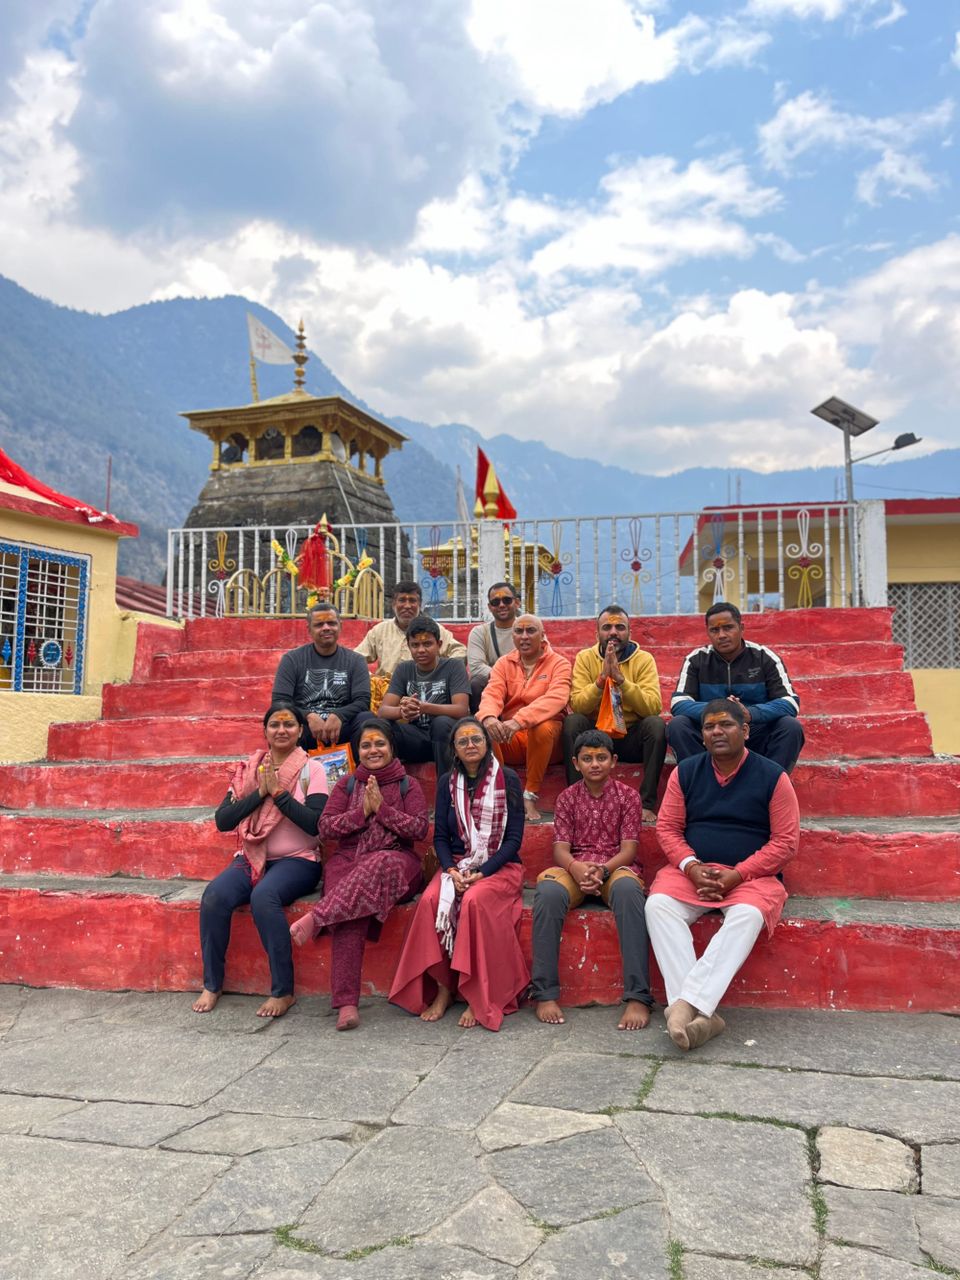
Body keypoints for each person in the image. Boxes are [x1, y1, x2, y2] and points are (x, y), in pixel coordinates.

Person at [646, 698, 800, 1051]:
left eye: (726, 725)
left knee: (747, 915)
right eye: (709, 726)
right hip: (693, 871)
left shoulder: (773, 776)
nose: (717, 732)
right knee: (658, 906)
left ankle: (684, 1006)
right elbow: (668, 828)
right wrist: (691, 866)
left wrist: (739, 874)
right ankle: (703, 1015)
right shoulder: (686, 772)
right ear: (701, 735)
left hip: (750, 877)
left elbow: (786, 842)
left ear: (745, 731)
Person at [389, 717, 528, 1030]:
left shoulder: (507, 779)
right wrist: (450, 869)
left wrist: (482, 872)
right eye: (462, 741)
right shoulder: (447, 782)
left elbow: (514, 840)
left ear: (487, 743)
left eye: (476, 739)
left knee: (475, 901)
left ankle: (475, 994)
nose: (470, 745)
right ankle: (444, 989)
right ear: (453, 749)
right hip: (457, 864)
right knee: (430, 901)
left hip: (499, 865)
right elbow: (440, 837)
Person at [290, 718, 428, 1031]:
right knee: (351, 910)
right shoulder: (347, 784)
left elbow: (419, 829)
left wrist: (383, 810)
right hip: (349, 860)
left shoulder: (408, 784)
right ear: (357, 751)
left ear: (391, 747)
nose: (373, 750)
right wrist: (362, 812)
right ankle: (346, 1004)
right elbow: (326, 827)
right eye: (366, 745)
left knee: (380, 861)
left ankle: (317, 917)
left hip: (397, 860)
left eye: (380, 743)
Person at [193, 703, 328, 1019]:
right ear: (265, 731)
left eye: (289, 724)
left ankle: (283, 991)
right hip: (253, 856)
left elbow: (315, 824)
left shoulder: (313, 770)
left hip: (299, 860)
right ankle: (212, 984)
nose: (282, 730)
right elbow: (224, 820)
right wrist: (260, 794)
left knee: (263, 897)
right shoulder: (249, 770)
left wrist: (278, 794)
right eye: (275, 725)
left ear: (300, 730)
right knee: (214, 896)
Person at [531, 729, 652, 1031]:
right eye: (587, 758)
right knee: (548, 894)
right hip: (576, 867)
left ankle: (638, 996)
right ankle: (545, 993)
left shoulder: (628, 797)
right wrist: (576, 868)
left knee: (629, 892)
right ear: (576, 763)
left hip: (614, 867)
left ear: (614, 761)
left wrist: (603, 871)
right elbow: (560, 849)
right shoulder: (567, 798)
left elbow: (629, 850)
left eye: (601, 758)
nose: (594, 764)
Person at [668, 602, 804, 774]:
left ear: (741, 628)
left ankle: (771, 784)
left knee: (790, 726)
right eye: (714, 630)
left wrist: (750, 713)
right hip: (712, 733)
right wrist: (721, 711)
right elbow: (678, 703)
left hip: (754, 731)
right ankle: (701, 781)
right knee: (678, 725)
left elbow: (790, 702)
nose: (722, 635)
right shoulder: (697, 660)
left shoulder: (764, 657)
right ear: (708, 632)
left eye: (728, 628)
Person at [563, 604, 666, 824]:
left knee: (656, 725)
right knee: (573, 722)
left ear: (629, 632)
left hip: (630, 737)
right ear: (597, 633)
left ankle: (646, 803)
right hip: (597, 737)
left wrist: (622, 681)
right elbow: (578, 705)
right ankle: (577, 799)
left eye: (620, 627)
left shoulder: (643, 659)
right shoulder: (585, 658)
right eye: (607, 627)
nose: (613, 632)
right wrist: (601, 681)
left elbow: (653, 707)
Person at [477, 614, 572, 824]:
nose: (524, 636)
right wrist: (489, 718)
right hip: (512, 738)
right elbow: (492, 694)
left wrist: (519, 720)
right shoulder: (503, 663)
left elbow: (556, 698)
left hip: (547, 743)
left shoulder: (559, 663)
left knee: (542, 727)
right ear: (512, 636)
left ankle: (530, 795)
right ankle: (502, 792)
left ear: (543, 635)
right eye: (519, 631)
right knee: (484, 730)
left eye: (531, 631)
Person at [272, 603, 374, 750]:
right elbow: (279, 702)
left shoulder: (355, 660)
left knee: (367, 719)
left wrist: (339, 715)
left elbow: (363, 701)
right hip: (305, 730)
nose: (326, 628)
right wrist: (308, 716)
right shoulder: (292, 659)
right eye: (319, 624)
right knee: (281, 721)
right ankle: (291, 764)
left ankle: (361, 764)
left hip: (342, 728)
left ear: (340, 626)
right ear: (309, 629)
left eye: (331, 623)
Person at [379, 614, 471, 774]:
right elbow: (383, 710)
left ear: (439, 644)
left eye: (427, 644)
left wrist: (424, 708)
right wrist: (403, 711)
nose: (421, 650)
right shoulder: (404, 669)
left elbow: (461, 710)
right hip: (417, 739)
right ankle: (385, 782)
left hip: (447, 740)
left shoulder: (453, 666)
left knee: (441, 723)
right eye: (415, 645)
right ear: (408, 646)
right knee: (380, 725)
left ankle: (446, 784)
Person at [354, 580, 466, 678]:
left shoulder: (434, 629)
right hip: (386, 689)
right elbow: (355, 658)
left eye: (412, 601)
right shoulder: (380, 630)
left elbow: (460, 652)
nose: (407, 606)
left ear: (420, 605)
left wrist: (442, 674)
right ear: (393, 604)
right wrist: (369, 678)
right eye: (402, 600)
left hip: (424, 687)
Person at [466, 581, 519, 712]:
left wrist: (518, 680)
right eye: (495, 602)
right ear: (490, 607)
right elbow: (476, 667)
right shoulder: (480, 632)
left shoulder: (530, 629)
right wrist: (506, 679)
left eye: (507, 600)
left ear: (517, 603)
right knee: (476, 683)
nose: (501, 605)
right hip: (494, 683)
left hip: (526, 683)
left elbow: (543, 659)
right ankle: (483, 721)